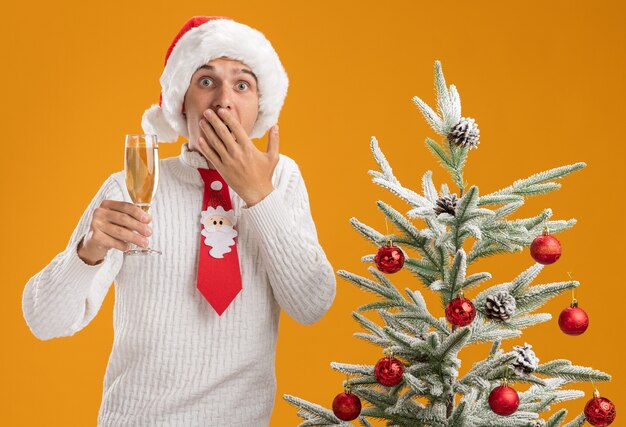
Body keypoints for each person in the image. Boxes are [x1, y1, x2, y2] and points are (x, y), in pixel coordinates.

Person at [21, 16, 336, 426]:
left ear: (260, 107)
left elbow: (312, 304)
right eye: (206, 81)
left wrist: (258, 194)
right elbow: (43, 320)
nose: (224, 100)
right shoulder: (134, 184)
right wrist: (88, 252)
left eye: (242, 84)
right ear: (179, 102)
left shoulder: (281, 180)